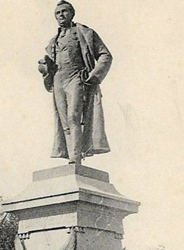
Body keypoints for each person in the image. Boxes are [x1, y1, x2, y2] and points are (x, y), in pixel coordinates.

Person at [38, 1, 112, 164]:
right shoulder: (53, 41)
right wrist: (44, 66)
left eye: (65, 11)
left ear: (72, 14)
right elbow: (49, 64)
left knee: (74, 116)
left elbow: (105, 55)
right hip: (59, 79)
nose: (61, 15)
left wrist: (94, 75)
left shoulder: (85, 33)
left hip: (76, 76)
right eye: (58, 13)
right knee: (65, 120)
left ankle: (76, 157)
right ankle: (72, 155)